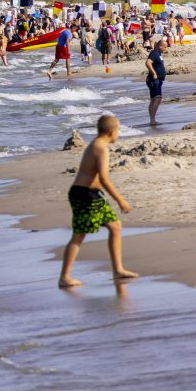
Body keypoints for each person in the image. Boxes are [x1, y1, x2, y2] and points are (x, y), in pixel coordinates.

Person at [58, 115, 137, 288]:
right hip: (84, 195)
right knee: (79, 235)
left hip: (91, 194)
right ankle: (64, 277)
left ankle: (118, 269)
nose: (118, 134)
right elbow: (104, 178)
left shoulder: (97, 144)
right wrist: (120, 200)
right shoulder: (100, 148)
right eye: (118, 131)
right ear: (111, 132)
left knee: (115, 226)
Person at [144, 39, 168, 126]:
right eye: (164, 46)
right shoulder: (154, 53)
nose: (166, 48)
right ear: (160, 46)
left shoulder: (158, 53)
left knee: (154, 99)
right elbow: (148, 63)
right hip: (154, 80)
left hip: (157, 80)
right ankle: (152, 120)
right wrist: (154, 73)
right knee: (157, 98)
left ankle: (152, 120)